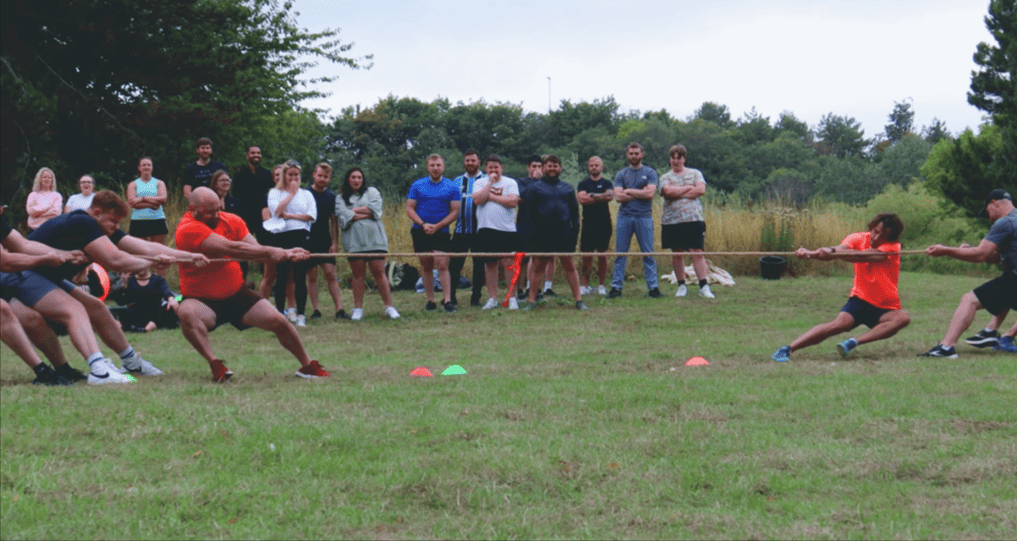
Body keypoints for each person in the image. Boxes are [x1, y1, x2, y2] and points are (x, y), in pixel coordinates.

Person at [8, 191, 206, 382]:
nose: (116, 226)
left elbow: (141, 246)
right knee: (74, 310)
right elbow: (116, 261)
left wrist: (187, 256)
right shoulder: (81, 222)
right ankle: (98, 369)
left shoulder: (100, 226)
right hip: (24, 273)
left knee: (97, 308)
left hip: (47, 275)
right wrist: (153, 262)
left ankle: (131, 363)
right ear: (96, 213)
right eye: (113, 221)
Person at [174, 187, 329, 382]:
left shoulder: (231, 220)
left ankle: (307, 366)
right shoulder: (187, 228)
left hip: (236, 293)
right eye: (209, 212)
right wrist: (278, 251)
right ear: (193, 209)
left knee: (280, 322)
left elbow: (256, 250)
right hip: (201, 299)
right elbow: (233, 248)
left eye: (217, 209)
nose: (215, 215)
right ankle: (215, 364)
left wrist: (286, 254)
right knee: (186, 314)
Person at [772, 213, 910, 362]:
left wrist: (832, 252)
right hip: (860, 299)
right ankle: (787, 349)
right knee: (838, 325)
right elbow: (838, 250)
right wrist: (810, 253)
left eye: (882, 236)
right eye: (875, 232)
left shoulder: (893, 247)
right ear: (871, 227)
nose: (876, 238)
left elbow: (862, 256)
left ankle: (852, 342)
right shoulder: (857, 238)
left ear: (890, 237)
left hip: (885, 306)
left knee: (902, 318)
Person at [920, 189, 1017, 358]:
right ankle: (990, 332)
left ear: (994, 203)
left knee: (969, 300)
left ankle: (946, 347)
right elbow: (992, 257)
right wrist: (968, 250)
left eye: (988, 211)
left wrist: (946, 250)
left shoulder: (1005, 223)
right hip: (1012, 277)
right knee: (1003, 288)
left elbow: (980, 255)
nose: (989, 217)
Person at [521, 155, 587, 311]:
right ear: (543, 168)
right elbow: (527, 216)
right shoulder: (534, 188)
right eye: (549, 166)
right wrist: (530, 238)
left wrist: (574, 235)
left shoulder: (568, 188)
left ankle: (579, 300)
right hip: (541, 235)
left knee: (569, 266)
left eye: (555, 166)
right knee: (538, 267)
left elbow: (575, 214)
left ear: (560, 168)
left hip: (564, 234)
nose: (552, 169)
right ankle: (531, 301)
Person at [335, 167, 399, 321]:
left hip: (375, 240)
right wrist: (364, 212)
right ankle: (358, 309)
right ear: (348, 179)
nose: (356, 180)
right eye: (353, 177)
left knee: (379, 272)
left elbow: (376, 210)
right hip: (354, 242)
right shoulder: (340, 198)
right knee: (357, 275)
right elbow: (342, 216)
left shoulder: (372, 192)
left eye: (359, 177)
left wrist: (353, 211)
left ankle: (389, 307)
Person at [406, 154, 460, 313]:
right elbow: (410, 209)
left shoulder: (451, 187)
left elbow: (455, 211)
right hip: (420, 230)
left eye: (438, 165)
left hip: (441, 231)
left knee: (442, 264)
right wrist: (423, 224)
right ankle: (430, 300)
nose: (435, 168)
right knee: (426, 264)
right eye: (432, 165)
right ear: (427, 167)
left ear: (443, 167)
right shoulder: (417, 185)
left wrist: (437, 226)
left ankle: (447, 300)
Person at [659, 144, 715, 299]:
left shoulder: (695, 173)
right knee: (677, 254)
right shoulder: (665, 177)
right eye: (673, 158)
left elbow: (701, 190)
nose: (675, 161)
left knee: (697, 252)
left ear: (684, 159)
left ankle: (704, 286)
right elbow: (667, 192)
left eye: (679, 158)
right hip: (671, 221)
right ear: (670, 160)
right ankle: (681, 286)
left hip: (693, 219)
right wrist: (688, 188)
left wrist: (678, 191)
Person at [265, 161, 316, 327]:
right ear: (285, 176)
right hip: (282, 236)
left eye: (297, 175)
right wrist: (291, 195)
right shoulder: (274, 192)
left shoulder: (307, 194)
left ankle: (301, 314)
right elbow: (277, 212)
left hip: (301, 235)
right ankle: (280, 314)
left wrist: (290, 216)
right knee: (282, 276)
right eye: (290, 175)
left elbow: (311, 216)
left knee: (300, 276)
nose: (294, 178)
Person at [609, 143, 661, 298]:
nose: (633, 156)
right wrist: (640, 191)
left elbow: (650, 194)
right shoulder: (621, 174)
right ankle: (616, 288)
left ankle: (653, 288)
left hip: (644, 217)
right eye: (631, 153)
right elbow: (618, 197)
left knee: (648, 254)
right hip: (624, 217)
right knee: (620, 254)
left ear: (642, 154)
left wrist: (629, 191)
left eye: (636, 153)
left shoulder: (650, 172)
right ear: (627, 155)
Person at [471, 154, 520, 310]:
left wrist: (490, 196)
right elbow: (477, 200)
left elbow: (512, 202)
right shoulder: (479, 182)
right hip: (486, 228)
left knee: (508, 263)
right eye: (490, 168)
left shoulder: (510, 182)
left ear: (501, 168)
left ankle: (512, 298)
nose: (493, 170)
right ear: (485, 169)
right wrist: (490, 183)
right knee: (490, 264)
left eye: (496, 168)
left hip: (507, 228)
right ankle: (492, 298)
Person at [305, 163, 349, 321]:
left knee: (330, 273)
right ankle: (316, 310)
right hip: (308, 240)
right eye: (320, 175)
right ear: (313, 175)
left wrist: (335, 243)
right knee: (312, 276)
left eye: (326, 177)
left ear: (329, 178)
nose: (322, 179)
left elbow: (334, 221)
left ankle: (339, 309)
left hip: (325, 240)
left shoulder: (331, 197)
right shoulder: (305, 194)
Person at [447, 150, 487, 307]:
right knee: (454, 266)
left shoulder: (485, 180)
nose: (470, 163)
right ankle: (450, 297)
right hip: (460, 231)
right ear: (464, 162)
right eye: (467, 161)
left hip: (480, 232)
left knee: (479, 266)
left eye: (473, 160)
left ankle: (476, 298)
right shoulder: (456, 181)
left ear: (479, 162)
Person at [576, 156, 614, 296]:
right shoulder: (583, 184)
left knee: (602, 255)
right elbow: (581, 199)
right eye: (591, 165)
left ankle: (602, 285)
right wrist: (599, 196)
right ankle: (585, 285)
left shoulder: (607, 182)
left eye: (596, 165)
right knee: (586, 255)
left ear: (601, 167)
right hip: (588, 223)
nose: (594, 167)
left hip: (604, 223)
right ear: (588, 167)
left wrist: (591, 195)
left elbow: (609, 196)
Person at [116, 267, 179, 333]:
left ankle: (146, 328)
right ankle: (139, 327)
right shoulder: (130, 280)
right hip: (138, 311)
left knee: (167, 309)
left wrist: (171, 299)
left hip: (156, 310)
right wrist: (123, 285)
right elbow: (122, 301)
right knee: (124, 313)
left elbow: (166, 291)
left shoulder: (157, 279)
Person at [126, 156, 169, 245]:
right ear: (139, 167)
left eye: (149, 165)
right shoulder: (133, 184)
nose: (146, 167)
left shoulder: (159, 183)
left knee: (160, 250)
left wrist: (142, 198)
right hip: (138, 220)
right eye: (144, 165)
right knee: (140, 250)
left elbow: (163, 199)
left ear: (152, 167)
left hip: (157, 219)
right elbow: (132, 202)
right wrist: (152, 204)